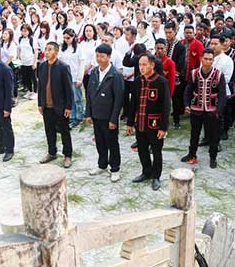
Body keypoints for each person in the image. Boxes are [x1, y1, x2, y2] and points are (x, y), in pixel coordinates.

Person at [126, 53, 171, 191]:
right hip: (140, 123)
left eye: (144, 64)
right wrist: (129, 122)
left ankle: (156, 176)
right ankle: (146, 172)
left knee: (156, 151)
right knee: (142, 150)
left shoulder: (161, 81)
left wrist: (163, 127)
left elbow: (166, 106)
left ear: (152, 65)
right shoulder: (138, 81)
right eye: (140, 65)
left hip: (155, 125)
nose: (141, 67)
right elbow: (133, 103)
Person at [85, 44, 125, 182]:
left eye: (102, 56)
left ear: (109, 57)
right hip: (96, 114)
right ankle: (102, 165)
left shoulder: (116, 75)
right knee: (100, 142)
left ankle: (115, 168)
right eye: (97, 56)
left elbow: (119, 99)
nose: (99, 59)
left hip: (109, 117)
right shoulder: (95, 72)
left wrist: (114, 119)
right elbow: (89, 93)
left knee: (112, 143)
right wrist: (88, 113)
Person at [182, 48, 226, 168]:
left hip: (212, 111)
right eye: (205, 59)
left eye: (210, 59)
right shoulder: (194, 73)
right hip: (196, 109)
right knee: (194, 134)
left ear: (213, 60)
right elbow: (188, 90)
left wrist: (219, 111)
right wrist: (186, 104)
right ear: (201, 59)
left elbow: (222, 94)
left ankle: (213, 157)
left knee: (213, 136)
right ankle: (191, 154)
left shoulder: (218, 74)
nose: (208, 61)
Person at [37, 42, 74, 168]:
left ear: (56, 52)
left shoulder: (63, 67)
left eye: (50, 50)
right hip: (46, 106)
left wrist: (69, 106)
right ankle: (52, 152)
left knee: (64, 131)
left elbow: (69, 89)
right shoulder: (42, 66)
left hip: (60, 107)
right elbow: (40, 87)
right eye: (45, 49)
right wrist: (40, 103)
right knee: (49, 130)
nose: (46, 52)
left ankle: (67, 155)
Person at [59, 28, 85, 127]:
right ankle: (72, 116)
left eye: (68, 38)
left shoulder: (79, 48)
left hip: (75, 76)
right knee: (69, 98)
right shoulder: (62, 48)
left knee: (77, 98)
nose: (66, 40)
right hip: (65, 77)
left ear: (73, 37)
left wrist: (80, 78)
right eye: (64, 38)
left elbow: (81, 63)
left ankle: (79, 116)